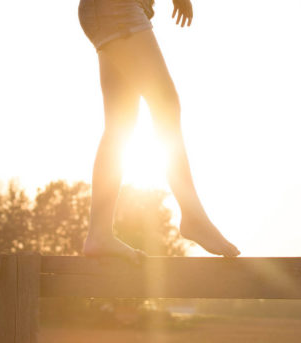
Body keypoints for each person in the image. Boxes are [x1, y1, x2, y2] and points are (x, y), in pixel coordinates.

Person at [77, 0, 241, 261]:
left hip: (109, 11)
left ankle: (99, 235)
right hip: (116, 8)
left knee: (121, 125)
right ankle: (193, 215)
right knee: (165, 105)